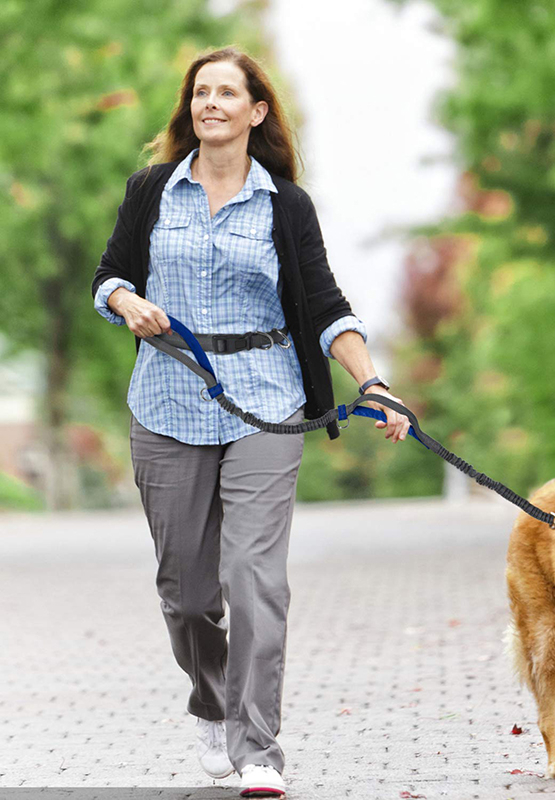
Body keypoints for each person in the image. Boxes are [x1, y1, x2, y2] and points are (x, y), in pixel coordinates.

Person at [90, 45, 410, 799]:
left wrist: (374, 382)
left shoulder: (285, 206)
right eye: (201, 92)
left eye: (227, 93)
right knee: (188, 595)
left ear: (256, 112)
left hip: (265, 400)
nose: (211, 103)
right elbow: (109, 275)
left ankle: (258, 746)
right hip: (167, 401)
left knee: (253, 576)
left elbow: (326, 305)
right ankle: (211, 700)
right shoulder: (150, 190)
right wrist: (125, 301)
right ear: (190, 108)